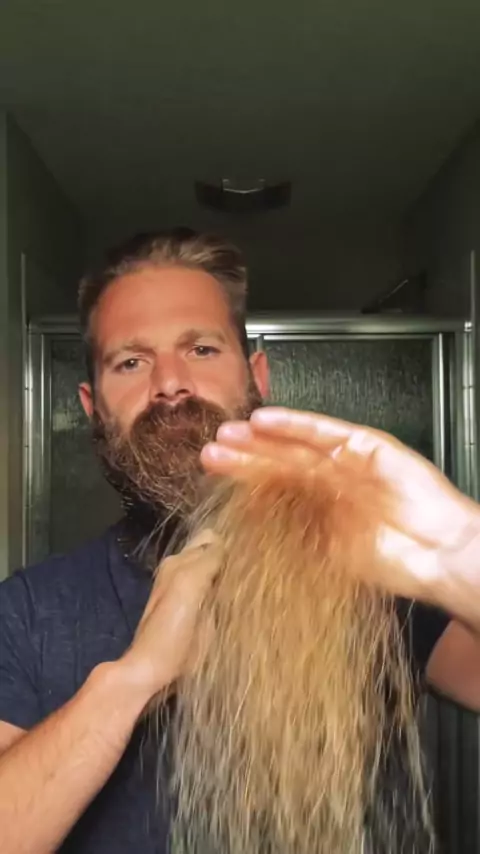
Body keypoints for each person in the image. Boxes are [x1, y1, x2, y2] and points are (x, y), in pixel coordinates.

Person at [0, 228, 480, 854]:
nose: (170, 384)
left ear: (257, 376)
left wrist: (460, 550)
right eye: (131, 362)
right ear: (93, 407)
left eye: (201, 349)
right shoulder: (27, 611)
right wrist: (135, 678)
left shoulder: (367, 567)